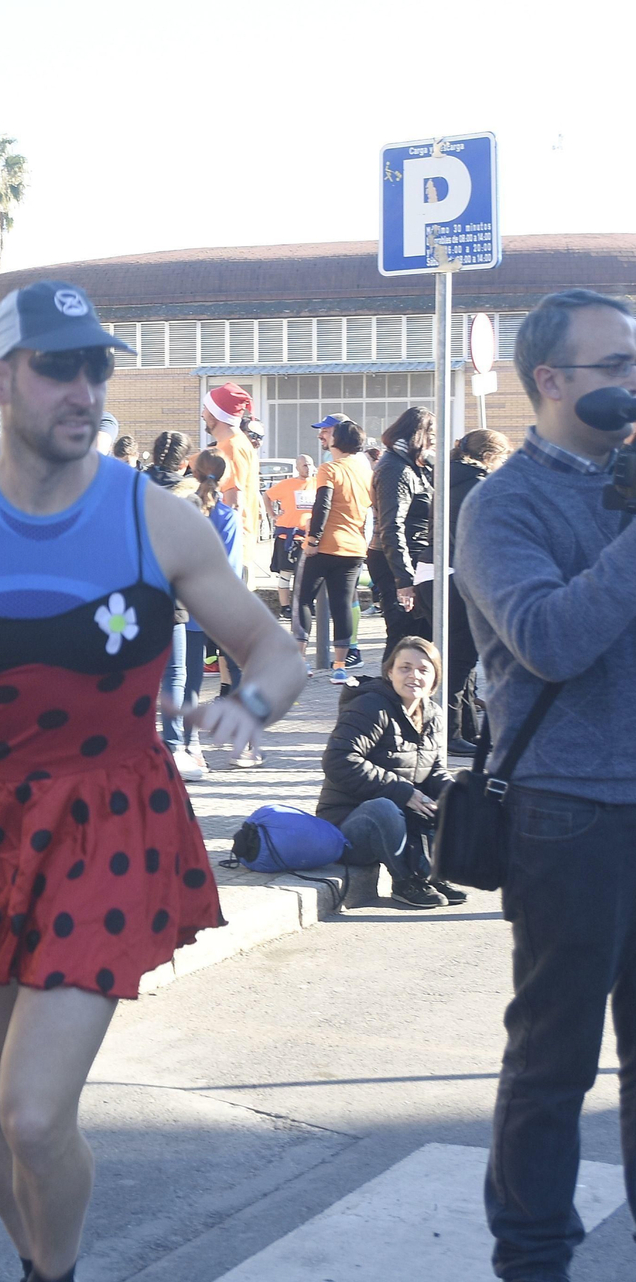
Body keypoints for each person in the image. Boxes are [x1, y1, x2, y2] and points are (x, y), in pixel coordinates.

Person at [0, 280, 306, 1282]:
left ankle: (58, 1270)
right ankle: (37, 1262)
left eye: (95, 366)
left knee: (34, 1109)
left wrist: (244, 707)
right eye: (57, 365)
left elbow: (273, 650)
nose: (83, 386)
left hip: (106, 820)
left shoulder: (156, 519)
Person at [454, 289, 636, 1282]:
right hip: (566, 811)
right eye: (611, 367)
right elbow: (551, 638)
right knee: (552, 1060)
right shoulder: (503, 504)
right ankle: (532, 1262)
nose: (630, 383)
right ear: (550, 381)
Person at [315, 635, 462, 909]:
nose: (413, 676)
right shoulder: (370, 706)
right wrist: (400, 790)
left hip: (401, 822)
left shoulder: (434, 715)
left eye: (423, 670)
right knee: (384, 807)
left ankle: (431, 875)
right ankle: (405, 882)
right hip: (349, 826)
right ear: (390, 672)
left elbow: (435, 771)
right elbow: (338, 759)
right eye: (405, 668)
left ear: (434, 679)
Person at [184, 450, 260, 770]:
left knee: (187, 679)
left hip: (189, 605)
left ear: (195, 474)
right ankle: (244, 747)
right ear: (225, 477)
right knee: (241, 674)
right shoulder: (228, 516)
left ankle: (189, 748)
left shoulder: (185, 512)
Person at [440, 429, 512, 752]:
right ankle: (451, 735)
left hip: (438, 573)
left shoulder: (448, 478)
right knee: (461, 662)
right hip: (461, 576)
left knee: (459, 660)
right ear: (489, 457)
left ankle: (463, 731)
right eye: (502, 458)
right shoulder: (479, 486)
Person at [293, 418, 372, 683]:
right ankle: (340, 666)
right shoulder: (366, 472)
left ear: (338, 440)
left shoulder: (329, 469)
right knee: (342, 605)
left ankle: (300, 661)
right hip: (354, 548)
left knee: (303, 599)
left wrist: (312, 540)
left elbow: (322, 505)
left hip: (326, 545)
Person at [145, 433, 202, 778]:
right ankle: (172, 746)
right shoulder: (189, 498)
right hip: (171, 598)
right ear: (184, 462)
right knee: (174, 674)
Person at [368, 407, 435, 648]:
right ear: (418, 435)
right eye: (432, 436)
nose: (434, 442)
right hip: (397, 563)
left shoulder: (414, 466)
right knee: (404, 641)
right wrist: (404, 580)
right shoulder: (395, 469)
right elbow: (391, 526)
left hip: (414, 559)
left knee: (420, 640)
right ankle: (392, 685)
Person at [201, 382, 261, 577]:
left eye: (205, 408)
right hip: (237, 547)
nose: (202, 414)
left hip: (231, 550)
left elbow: (233, 503)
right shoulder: (237, 443)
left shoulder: (231, 448)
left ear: (215, 414)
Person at [265, 455, 317, 620]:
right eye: (304, 465)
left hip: (309, 537)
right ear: (297, 467)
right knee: (285, 573)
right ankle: (285, 607)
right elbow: (267, 496)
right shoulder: (287, 484)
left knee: (309, 574)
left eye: (309, 465)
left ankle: (307, 604)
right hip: (288, 535)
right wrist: (272, 514)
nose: (307, 468)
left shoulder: (318, 484)